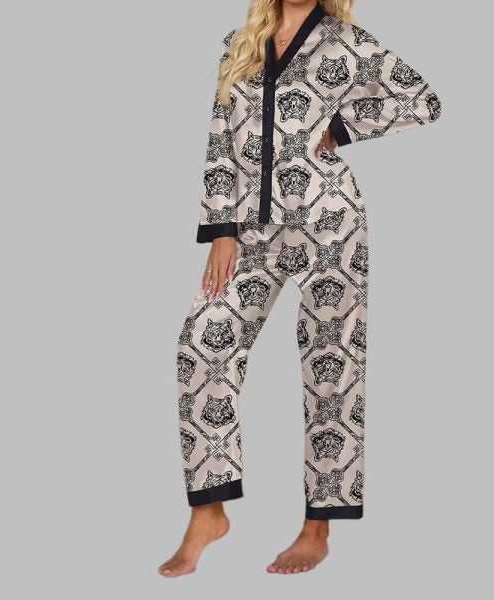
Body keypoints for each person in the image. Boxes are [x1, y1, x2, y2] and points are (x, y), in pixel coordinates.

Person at [159, 0, 442, 577]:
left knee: (332, 369)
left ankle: (317, 527)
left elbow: (423, 99)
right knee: (201, 345)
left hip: (329, 223)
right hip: (250, 230)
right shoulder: (240, 43)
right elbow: (220, 139)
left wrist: (343, 128)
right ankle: (208, 512)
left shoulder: (346, 41)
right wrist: (221, 230)